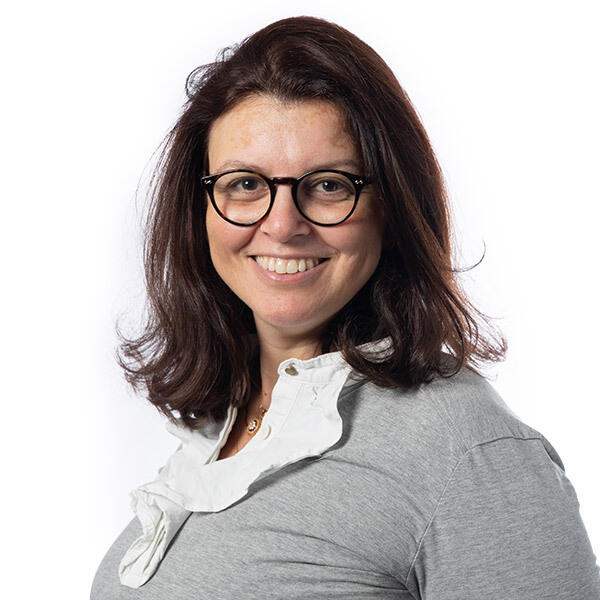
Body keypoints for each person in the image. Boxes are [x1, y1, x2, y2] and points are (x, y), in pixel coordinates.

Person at [90, 16, 600, 599]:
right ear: (199, 211)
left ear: (393, 207)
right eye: (245, 184)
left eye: (329, 185)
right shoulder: (225, 428)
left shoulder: (469, 453)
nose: (282, 225)